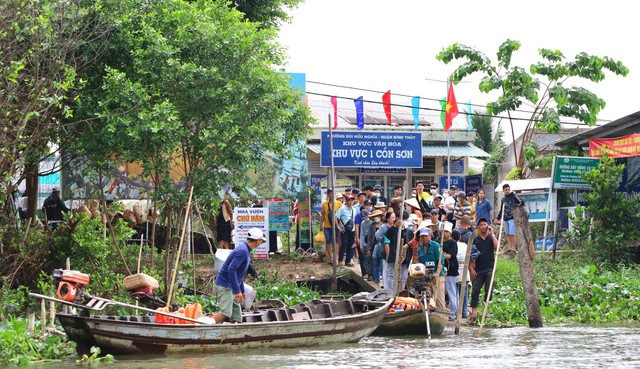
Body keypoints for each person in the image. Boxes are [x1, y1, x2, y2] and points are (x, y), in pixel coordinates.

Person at [213, 227, 266, 323]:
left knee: (237, 313)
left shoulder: (246, 250)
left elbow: (239, 275)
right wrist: (237, 291)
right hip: (224, 285)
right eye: (261, 241)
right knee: (225, 312)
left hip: (229, 286)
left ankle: (235, 332)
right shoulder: (243, 251)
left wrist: (241, 290)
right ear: (258, 241)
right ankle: (204, 327)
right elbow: (231, 269)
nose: (261, 243)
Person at [469, 217, 499, 324]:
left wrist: (493, 233)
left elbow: (497, 247)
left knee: (489, 287)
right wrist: (472, 269)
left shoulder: (491, 238)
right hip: (479, 269)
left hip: (489, 268)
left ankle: (487, 310)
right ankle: (474, 313)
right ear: (478, 227)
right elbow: (472, 255)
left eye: (485, 225)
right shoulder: (476, 239)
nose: (483, 227)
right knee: (475, 290)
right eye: (481, 225)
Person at [494, 184, 524, 255]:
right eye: (506, 190)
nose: (507, 191)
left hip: (512, 218)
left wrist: (516, 207)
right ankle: (510, 248)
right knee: (508, 234)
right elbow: (501, 210)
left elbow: (521, 202)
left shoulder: (513, 196)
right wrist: (498, 219)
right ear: (503, 191)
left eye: (508, 189)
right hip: (505, 218)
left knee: (512, 233)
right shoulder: (503, 199)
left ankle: (513, 249)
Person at [442, 222, 459, 320]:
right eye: (444, 232)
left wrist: (442, 255)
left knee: (451, 291)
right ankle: (452, 311)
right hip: (444, 269)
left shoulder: (452, 243)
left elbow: (449, 255)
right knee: (450, 291)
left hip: (451, 269)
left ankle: (452, 313)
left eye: (447, 232)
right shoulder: (441, 242)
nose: (445, 234)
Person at [452, 229, 470, 318]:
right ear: (460, 237)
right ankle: (464, 311)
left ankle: (455, 312)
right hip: (464, 269)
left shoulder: (451, 244)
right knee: (464, 292)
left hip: (455, 269)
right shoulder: (465, 245)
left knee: (454, 292)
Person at [321, 188, 343, 264]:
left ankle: (336, 257)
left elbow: (342, 214)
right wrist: (321, 224)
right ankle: (331, 257)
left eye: (332, 193)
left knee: (336, 241)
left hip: (336, 226)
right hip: (327, 226)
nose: (330, 195)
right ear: (327, 195)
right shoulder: (324, 204)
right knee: (328, 241)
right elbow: (323, 215)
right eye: (329, 193)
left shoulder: (338, 203)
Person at [336, 195, 357, 266]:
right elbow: (336, 217)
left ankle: (348, 261)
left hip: (353, 229)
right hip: (344, 230)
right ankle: (340, 260)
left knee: (351, 245)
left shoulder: (354, 209)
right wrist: (338, 227)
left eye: (352, 200)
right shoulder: (342, 209)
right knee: (344, 244)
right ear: (346, 201)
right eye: (349, 200)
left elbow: (355, 220)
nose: (351, 202)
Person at [366, 209, 385, 285]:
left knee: (382, 263)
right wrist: (368, 249)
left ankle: (381, 278)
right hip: (374, 246)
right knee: (374, 263)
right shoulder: (372, 226)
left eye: (378, 216)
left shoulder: (384, 225)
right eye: (375, 216)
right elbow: (369, 238)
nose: (377, 218)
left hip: (382, 245)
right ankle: (376, 279)